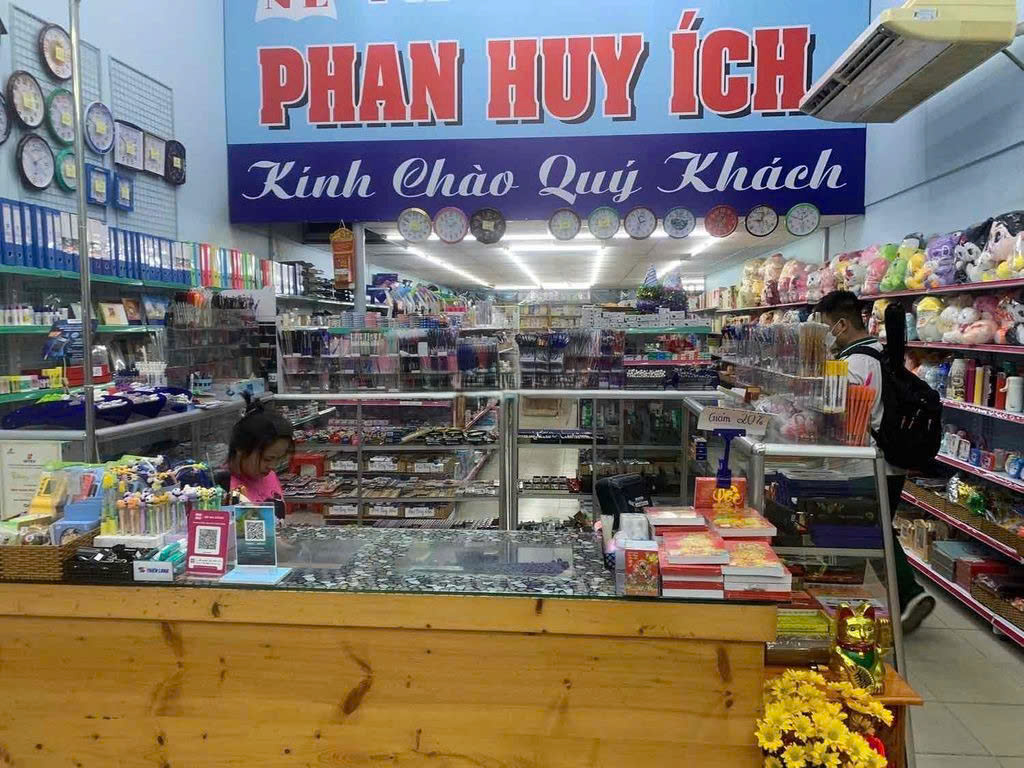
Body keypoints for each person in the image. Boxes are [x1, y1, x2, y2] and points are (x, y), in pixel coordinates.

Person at [816, 289, 936, 633]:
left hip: (870, 462)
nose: (825, 334)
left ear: (841, 324)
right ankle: (877, 598)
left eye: (825, 326)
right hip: (886, 461)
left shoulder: (857, 363)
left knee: (874, 530)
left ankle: (908, 595)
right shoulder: (880, 354)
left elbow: (841, 412)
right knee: (873, 529)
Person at [224, 393, 294, 518]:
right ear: (241, 448)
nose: (272, 466)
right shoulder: (222, 488)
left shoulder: (269, 476)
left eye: (278, 459)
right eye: (267, 459)